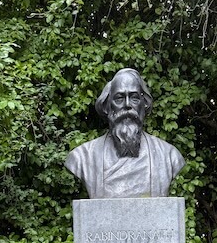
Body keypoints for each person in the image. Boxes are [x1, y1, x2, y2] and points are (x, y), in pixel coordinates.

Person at [64, 68, 185, 198]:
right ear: (107, 106)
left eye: (134, 98)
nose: (127, 105)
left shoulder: (168, 156)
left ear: (144, 104)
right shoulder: (83, 157)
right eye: (119, 98)